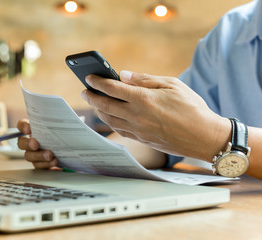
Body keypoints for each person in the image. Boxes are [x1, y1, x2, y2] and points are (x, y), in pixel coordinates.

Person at [16, 0, 262, 180]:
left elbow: (200, 132)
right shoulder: (231, 30)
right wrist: (82, 154)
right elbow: (163, 136)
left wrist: (218, 137)